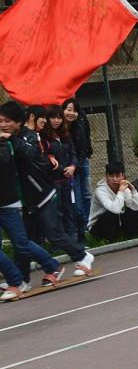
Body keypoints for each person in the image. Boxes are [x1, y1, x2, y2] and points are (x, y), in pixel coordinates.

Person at [1, 102, 94, 278]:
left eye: (7, 121)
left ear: (18, 121)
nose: (3, 125)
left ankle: (82, 256)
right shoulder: (8, 140)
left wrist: (10, 139)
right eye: (0, 121)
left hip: (43, 193)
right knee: (22, 240)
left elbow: (30, 154)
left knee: (54, 234)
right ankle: (23, 279)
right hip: (25, 199)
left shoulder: (29, 136)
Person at [0, 114, 63, 296]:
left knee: (21, 244)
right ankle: (16, 280)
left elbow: (5, 161)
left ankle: (49, 267)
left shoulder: (4, 142)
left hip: (8, 202)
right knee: (21, 243)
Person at [42, 105, 80, 241]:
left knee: (70, 210)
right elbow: (46, 159)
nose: (56, 121)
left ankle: (73, 241)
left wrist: (73, 166)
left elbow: (73, 153)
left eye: (59, 118)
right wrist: (65, 169)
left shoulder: (65, 135)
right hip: (54, 182)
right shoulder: (44, 138)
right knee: (57, 213)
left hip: (68, 180)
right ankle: (59, 243)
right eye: (53, 117)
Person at [88, 161, 138, 240]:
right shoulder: (100, 191)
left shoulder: (124, 188)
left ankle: (128, 237)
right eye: (111, 176)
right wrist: (121, 192)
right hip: (97, 227)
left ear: (123, 176)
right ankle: (107, 240)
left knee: (134, 212)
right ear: (106, 176)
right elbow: (115, 210)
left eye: (118, 176)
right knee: (111, 214)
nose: (114, 179)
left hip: (117, 222)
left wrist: (133, 190)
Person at [63, 98, 92, 234]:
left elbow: (83, 145)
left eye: (75, 111)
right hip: (69, 166)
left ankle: (87, 224)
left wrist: (79, 163)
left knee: (86, 194)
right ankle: (78, 228)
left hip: (81, 162)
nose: (72, 113)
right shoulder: (58, 127)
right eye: (69, 110)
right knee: (75, 200)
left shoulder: (78, 124)